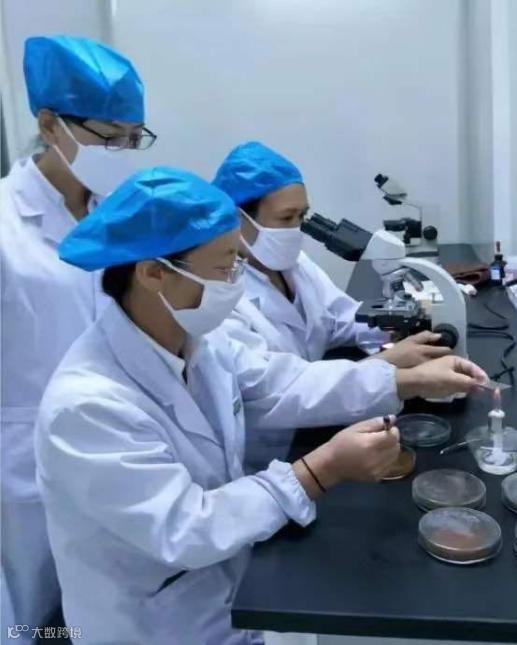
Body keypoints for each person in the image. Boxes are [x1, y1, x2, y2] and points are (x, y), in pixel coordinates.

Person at [35, 167, 487, 645]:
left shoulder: (197, 341)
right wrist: (321, 470)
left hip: (227, 583)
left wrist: (403, 380)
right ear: (153, 273)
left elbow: (283, 383)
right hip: (154, 621)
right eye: (225, 268)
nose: (237, 282)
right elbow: (187, 528)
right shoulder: (86, 407)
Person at [0, 35, 153, 633]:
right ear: (48, 124)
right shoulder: (5, 227)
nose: (122, 153)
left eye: (133, 138)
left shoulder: (118, 212)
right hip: (24, 467)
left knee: (105, 616)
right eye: (109, 137)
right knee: (32, 619)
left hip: (123, 449)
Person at [213, 141, 448, 368]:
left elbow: (339, 320)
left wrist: (397, 326)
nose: (296, 228)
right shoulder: (221, 297)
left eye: (301, 216)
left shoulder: (296, 263)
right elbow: (274, 386)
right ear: (238, 219)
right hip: (296, 395)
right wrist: (384, 364)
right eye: (286, 218)